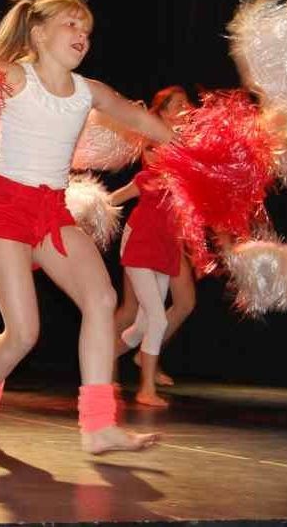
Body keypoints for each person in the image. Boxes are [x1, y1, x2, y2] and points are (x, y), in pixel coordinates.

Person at [0, 0, 174, 453]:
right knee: (23, 333)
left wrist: (197, 150)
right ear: (38, 33)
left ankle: (98, 427)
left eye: (87, 30)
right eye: (71, 25)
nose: (82, 35)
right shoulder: (13, 76)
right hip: (3, 206)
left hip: (52, 210)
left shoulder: (88, 91)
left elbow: (139, 118)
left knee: (102, 297)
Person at [113, 86, 196, 390]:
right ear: (162, 113)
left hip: (168, 238)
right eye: (178, 104)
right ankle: (119, 372)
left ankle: (132, 357)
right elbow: (139, 184)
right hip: (144, 237)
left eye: (188, 103)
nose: (186, 108)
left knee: (153, 319)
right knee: (137, 313)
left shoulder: (187, 145)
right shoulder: (156, 144)